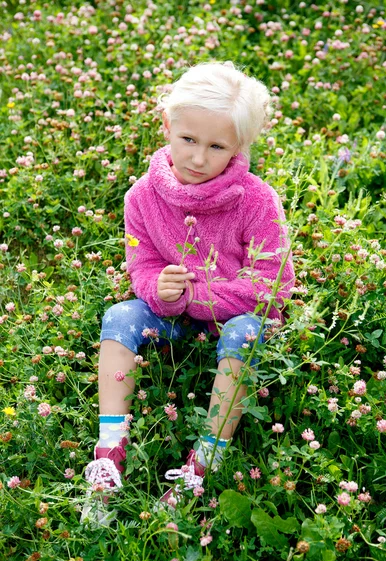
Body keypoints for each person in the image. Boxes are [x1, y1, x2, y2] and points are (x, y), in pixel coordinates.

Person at [82, 61, 295, 523]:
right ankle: (109, 451)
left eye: (217, 146)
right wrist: (159, 291)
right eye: (188, 140)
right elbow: (142, 265)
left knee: (243, 333)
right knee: (120, 316)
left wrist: (195, 295)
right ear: (167, 127)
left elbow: (272, 287)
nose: (198, 158)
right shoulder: (142, 196)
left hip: (237, 317)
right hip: (174, 318)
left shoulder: (256, 200)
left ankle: (206, 457)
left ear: (240, 146)